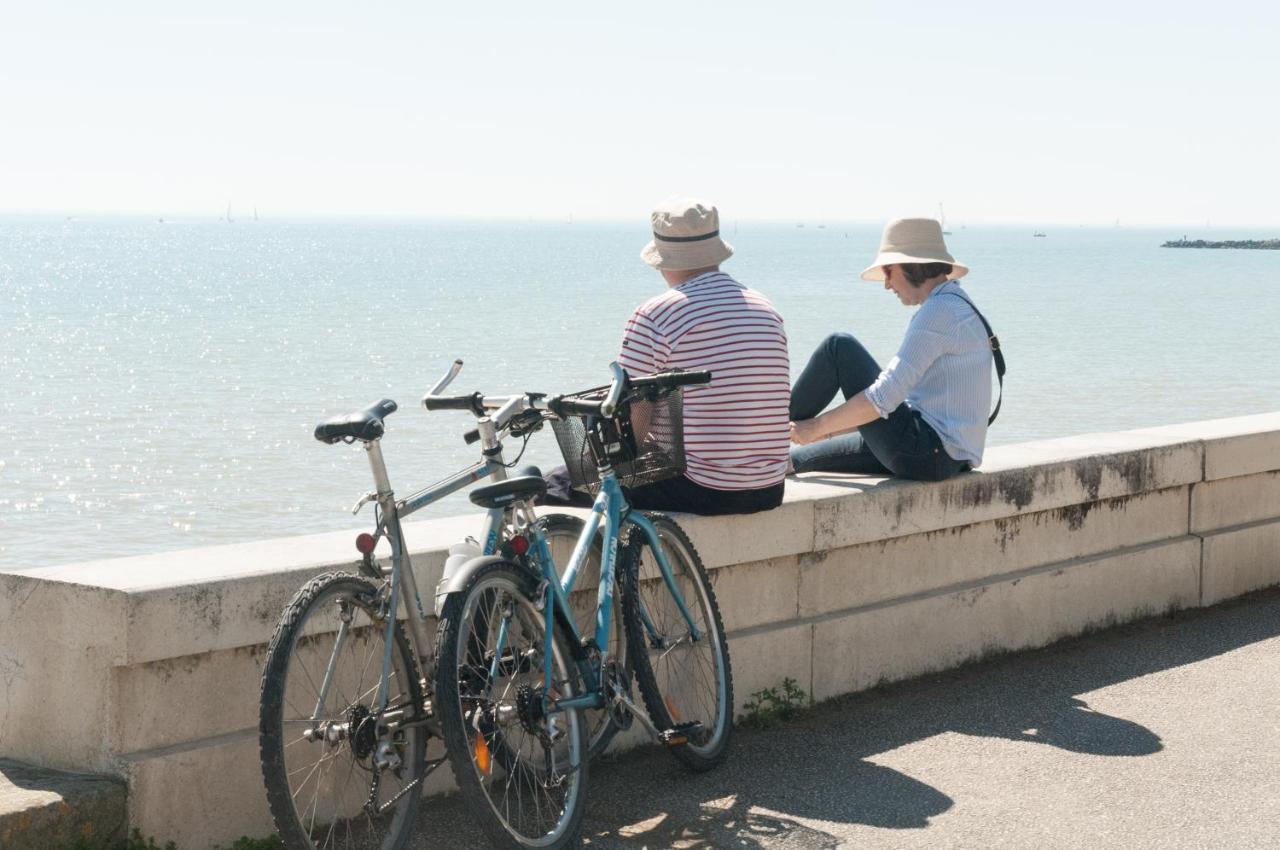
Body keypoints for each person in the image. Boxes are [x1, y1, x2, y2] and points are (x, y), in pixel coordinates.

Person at [545, 197, 790, 514]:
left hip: (701, 488)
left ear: (662, 259)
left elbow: (635, 425)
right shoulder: (766, 309)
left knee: (548, 486)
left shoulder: (655, 314)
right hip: (769, 488)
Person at [789, 217, 999, 481]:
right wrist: (820, 433)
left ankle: (760, 435)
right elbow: (890, 406)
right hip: (942, 457)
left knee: (838, 347)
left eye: (889, 271)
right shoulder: (960, 305)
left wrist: (815, 426)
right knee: (794, 461)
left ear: (912, 266)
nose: (887, 284)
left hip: (925, 451)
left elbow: (882, 398)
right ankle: (770, 451)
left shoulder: (938, 312)